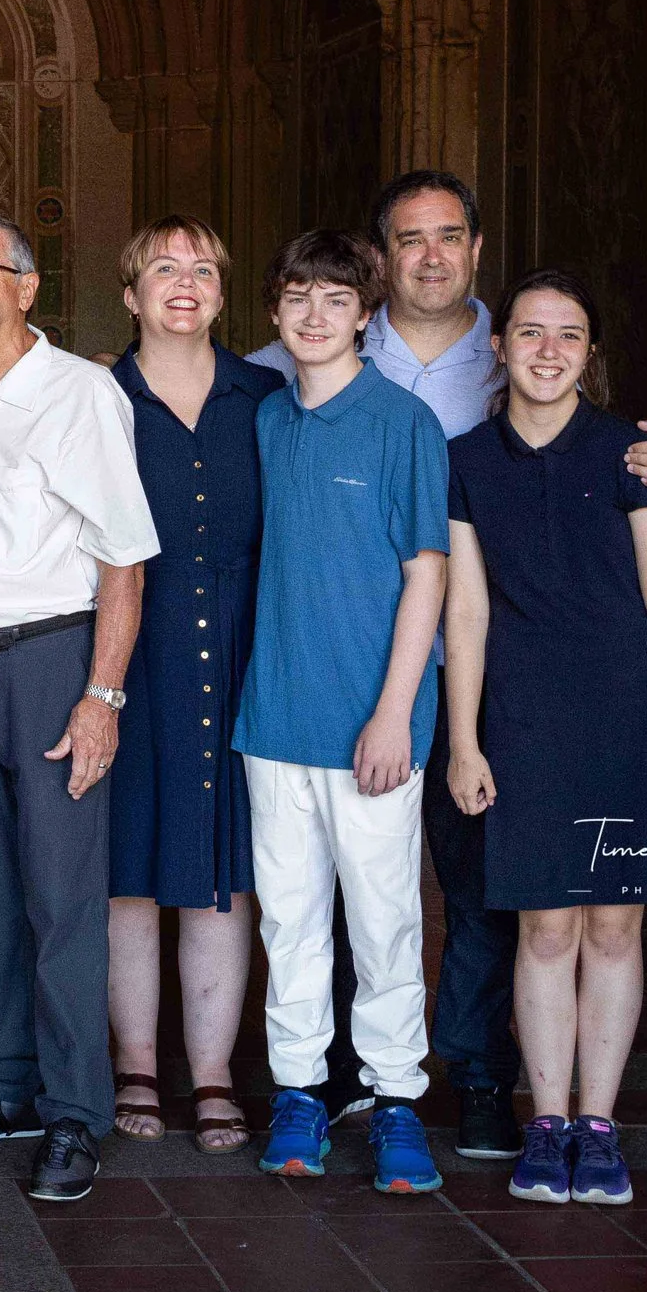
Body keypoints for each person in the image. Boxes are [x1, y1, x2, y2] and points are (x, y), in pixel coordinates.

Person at [249, 170, 647, 1156]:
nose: (432, 253)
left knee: (483, 881)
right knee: (333, 888)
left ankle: (483, 1076)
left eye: (449, 234)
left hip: (495, 671)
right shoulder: (288, 363)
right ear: (379, 261)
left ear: (475, 250)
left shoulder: (519, 350)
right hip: (363, 670)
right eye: (409, 238)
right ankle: (329, 1077)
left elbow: (597, 455)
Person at [0, 214, 158, 1205]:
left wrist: (101, 694)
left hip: (51, 659)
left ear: (27, 284)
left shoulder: (79, 392)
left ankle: (73, 1114)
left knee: (61, 899)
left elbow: (122, 556)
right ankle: (5, 1088)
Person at [442, 270, 647, 1207]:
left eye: (569, 335)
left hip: (624, 716)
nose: (548, 351)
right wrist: (465, 742)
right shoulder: (467, 458)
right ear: (499, 346)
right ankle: (545, 1120)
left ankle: (599, 1125)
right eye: (530, 332)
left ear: (589, 354)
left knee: (615, 921)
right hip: (523, 718)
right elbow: (465, 613)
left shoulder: (630, 452)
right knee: (546, 926)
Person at [238, 229, 449, 1196]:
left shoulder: (401, 423)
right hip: (274, 718)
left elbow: (426, 574)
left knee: (384, 919)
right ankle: (298, 1091)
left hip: (372, 722)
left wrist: (395, 712)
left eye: (335, 298)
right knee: (289, 923)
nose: (314, 314)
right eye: (297, 296)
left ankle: (398, 1099)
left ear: (367, 312)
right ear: (276, 311)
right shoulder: (267, 421)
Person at [105, 216, 281, 1155]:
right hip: (130, 656)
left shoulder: (269, 395)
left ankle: (211, 1072)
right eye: (162, 268)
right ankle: (137, 1063)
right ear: (130, 296)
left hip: (249, 656)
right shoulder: (97, 399)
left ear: (221, 293)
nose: (184, 280)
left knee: (224, 869)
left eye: (203, 267)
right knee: (129, 866)